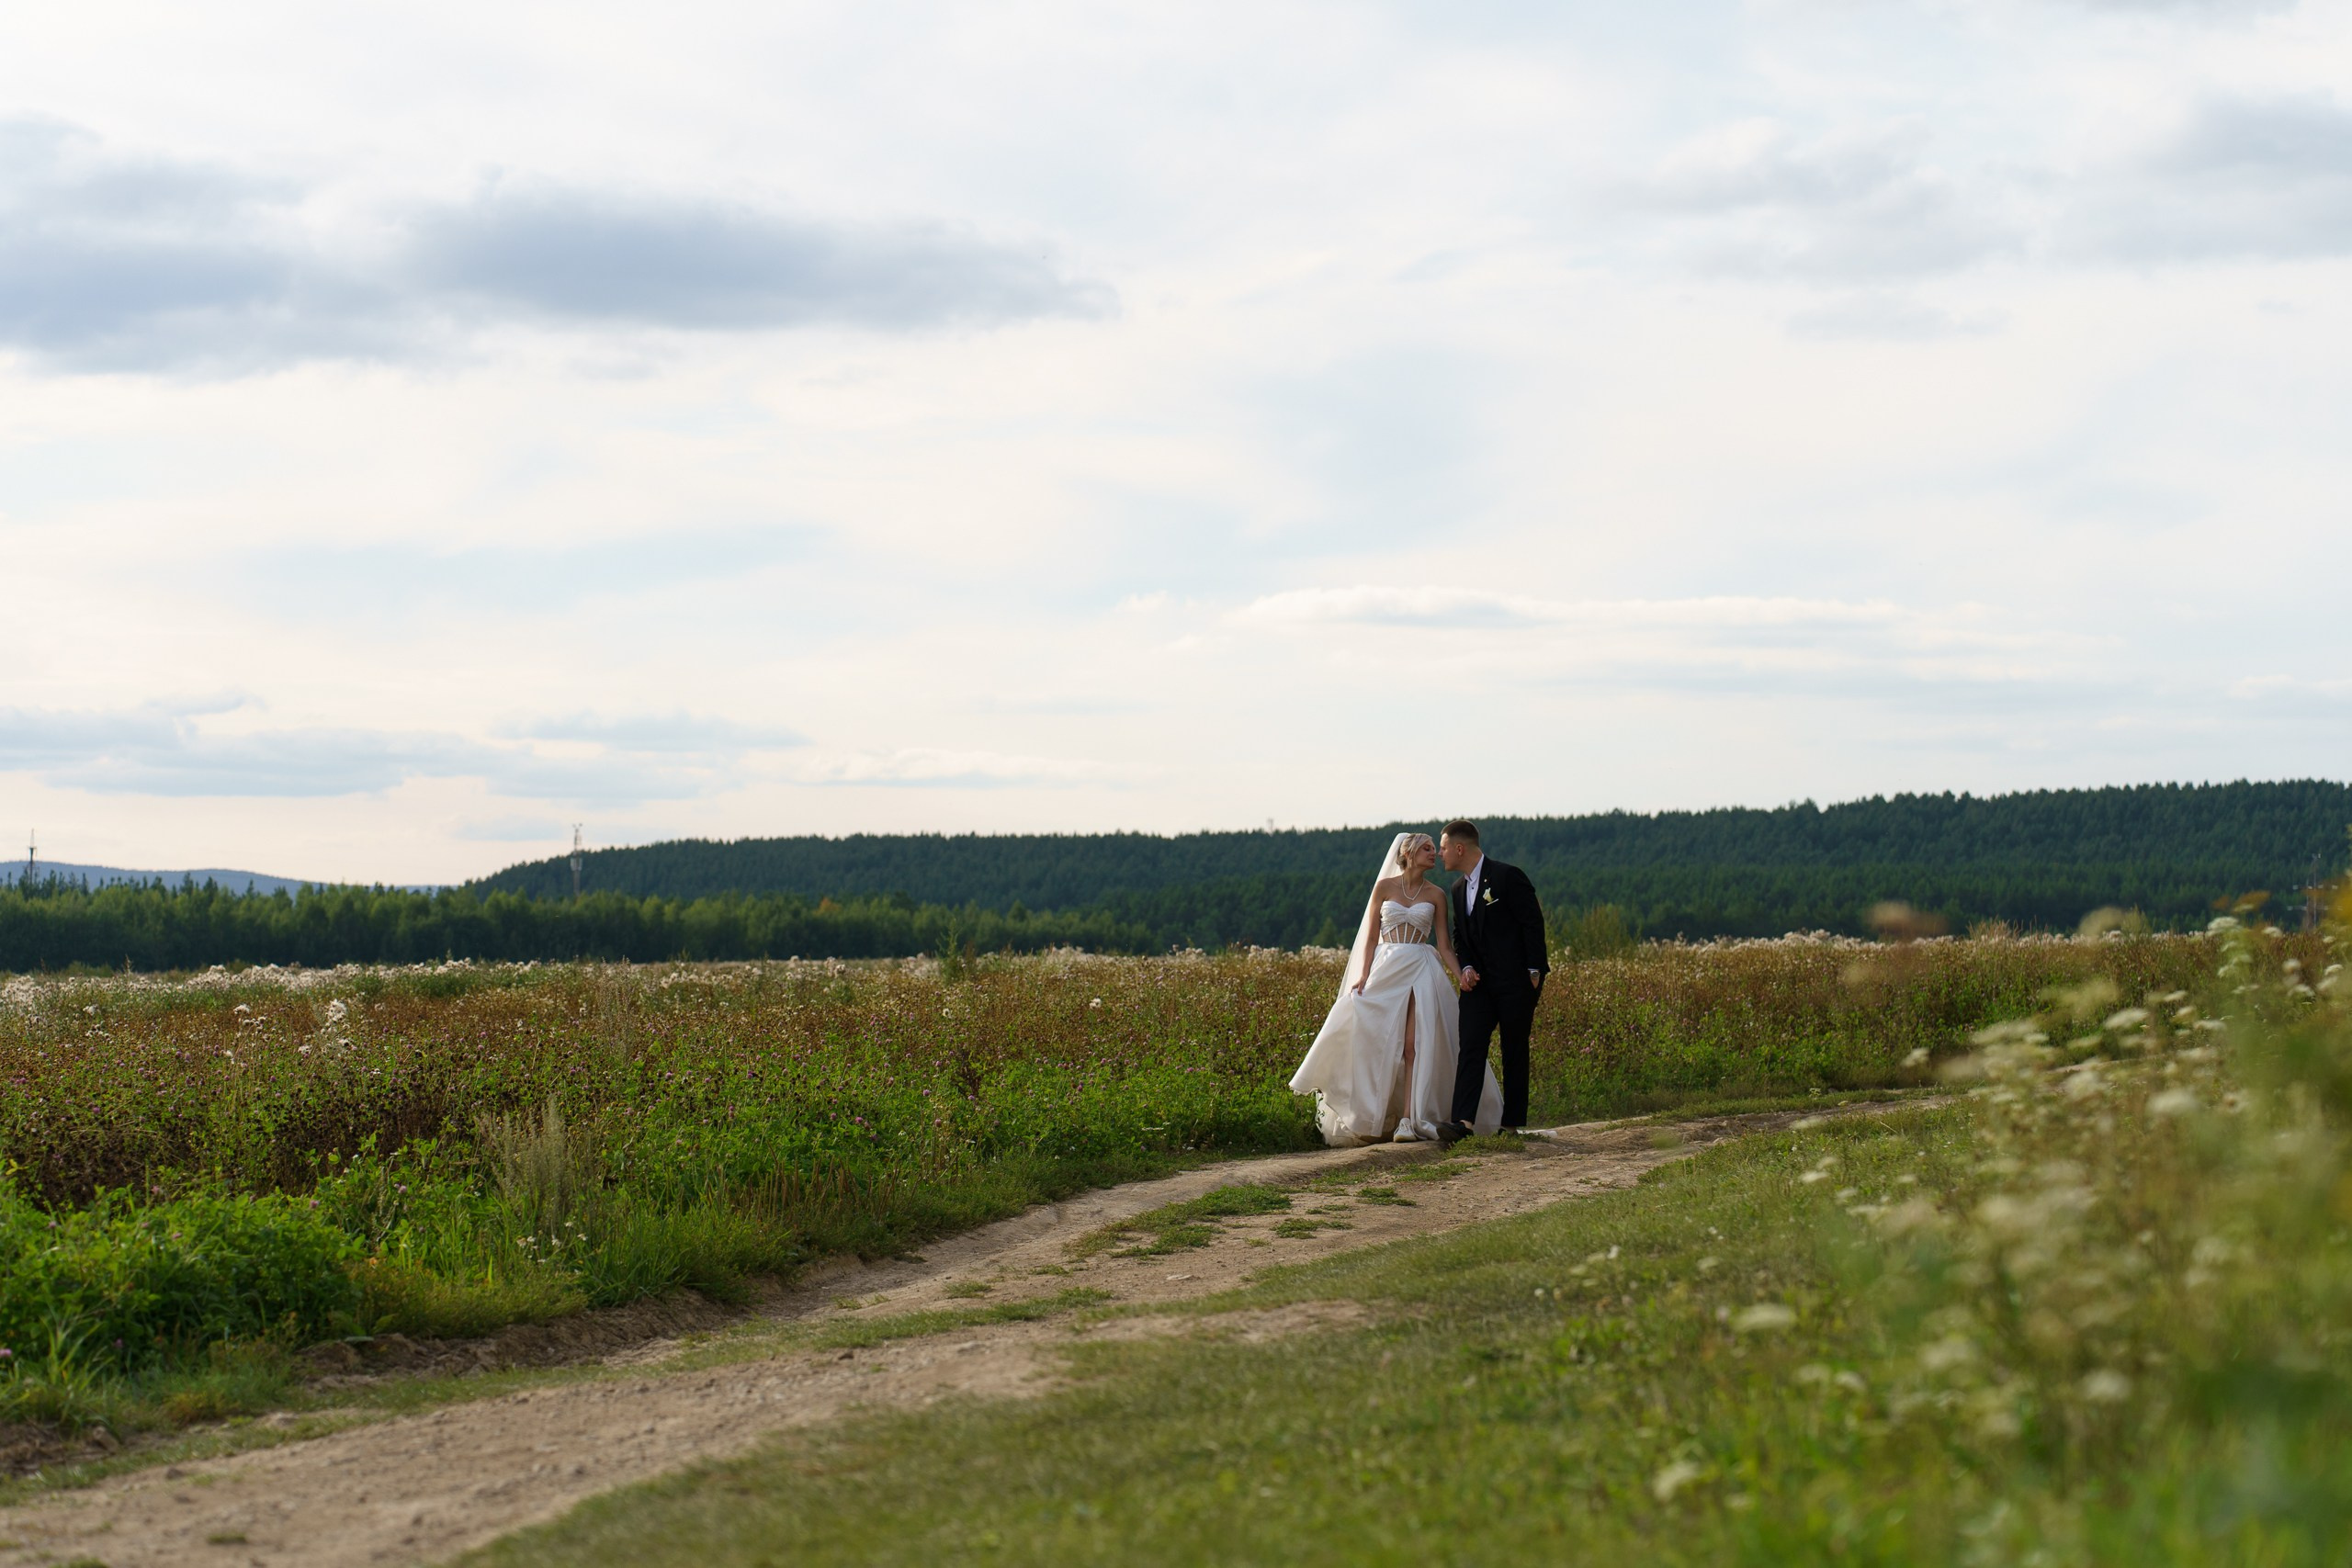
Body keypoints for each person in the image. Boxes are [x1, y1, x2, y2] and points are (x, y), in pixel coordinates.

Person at [1289, 831, 1501, 1145]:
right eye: (1428, 849)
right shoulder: (1384, 888)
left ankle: (1408, 1119)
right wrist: (1362, 975)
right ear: (1409, 853)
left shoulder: (1436, 895)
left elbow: (1443, 945)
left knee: (1413, 1045)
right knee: (1371, 1035)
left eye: (1435, 848)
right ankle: (1368, 1110)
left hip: (1420, 967)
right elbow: (1371, 938)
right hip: (1387, 967)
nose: (1435, 854)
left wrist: (1460, 975)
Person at [1438, 819, 1547, 1140]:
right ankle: (1463, 1124)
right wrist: (1466, 966)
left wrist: (1534, 971)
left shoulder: (1507, 876)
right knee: (1470, 1045)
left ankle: (1510, 1125)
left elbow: (1532, 922)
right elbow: (1461, 937)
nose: (1441, 854)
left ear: (1460, 848)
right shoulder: (1457, 889)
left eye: (1443, 847)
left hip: (1516, 982)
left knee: (1513, 1049)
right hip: (1479, 986)